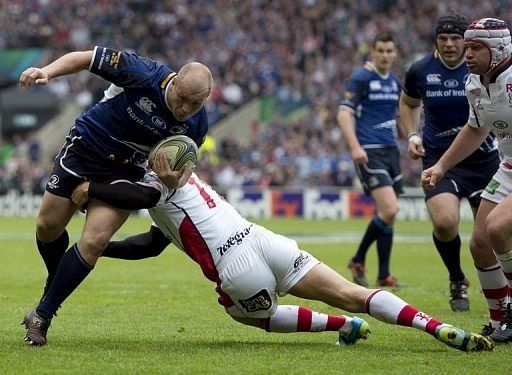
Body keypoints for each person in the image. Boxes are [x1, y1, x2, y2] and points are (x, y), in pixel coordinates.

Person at [59, 150, 494, 352]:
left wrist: (87, 190)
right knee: (352, 289)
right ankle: (432, 326)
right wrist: (103, 250)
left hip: (238, 265)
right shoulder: (190, 183)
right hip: (266, 241)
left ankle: (339, 326)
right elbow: (152, 245)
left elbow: (135, 200)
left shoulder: (153, 187)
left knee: (248, 314)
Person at [19, 46, 213, 345]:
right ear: (173, 82)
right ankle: (54, 282)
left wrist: (171, 180)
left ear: (206, 99)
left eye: (195, 103)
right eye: (182, 98)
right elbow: (85, 58)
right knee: (48, 227)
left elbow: (183, 169)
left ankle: (42, 315)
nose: (185, 108)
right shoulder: (142, 72)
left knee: (94, 241)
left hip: (125, 170)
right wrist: (48, 71)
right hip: (86, 147)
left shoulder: (198, 124)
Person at [399, 12, 503, 314]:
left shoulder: (483, 70)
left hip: (483, 161)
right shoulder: (420, 70)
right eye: (443, 38)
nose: (449, 44)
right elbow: (408, 103)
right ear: (435, 40)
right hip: (437, 158)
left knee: (488, 237)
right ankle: (457, 279)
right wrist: (412, 135)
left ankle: (500, 299)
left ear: (467, 41)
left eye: (456, 38)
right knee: (444, 223)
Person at [421, 17, 512, 343]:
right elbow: (475, 128)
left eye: (475, 47)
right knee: (480, 244)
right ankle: (502, 320)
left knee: (498, 227)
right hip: (508, 166)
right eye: (467, 45)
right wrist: (442, 167)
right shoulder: (474, 83)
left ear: (499, 49)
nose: (466, 52)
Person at [337, 31, 402, 288]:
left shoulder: (395, 82)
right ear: (372, 52)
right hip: (369, 150)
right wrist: (354, 146)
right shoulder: (361, 77)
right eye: (381, 50)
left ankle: (384, 274)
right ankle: (358, 259)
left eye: (390, 51)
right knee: (390, 209)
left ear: (395, 53)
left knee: (389, 215)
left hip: (391, 151)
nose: (385, 55)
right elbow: (343, 114)